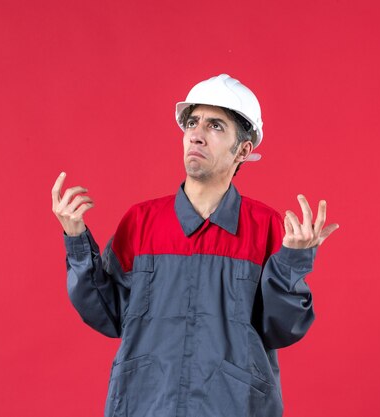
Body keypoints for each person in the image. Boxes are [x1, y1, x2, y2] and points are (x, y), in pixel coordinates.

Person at [51, 74, 339, 417]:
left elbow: (281, 328)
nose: (197, 135)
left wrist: (292, 261)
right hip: (146, 404)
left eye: (216, 126)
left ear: (243, 150)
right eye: (192, 122)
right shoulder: (142, 222)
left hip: (234, 406)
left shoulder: (266, 227)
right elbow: (108, 315)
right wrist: (76, 240)